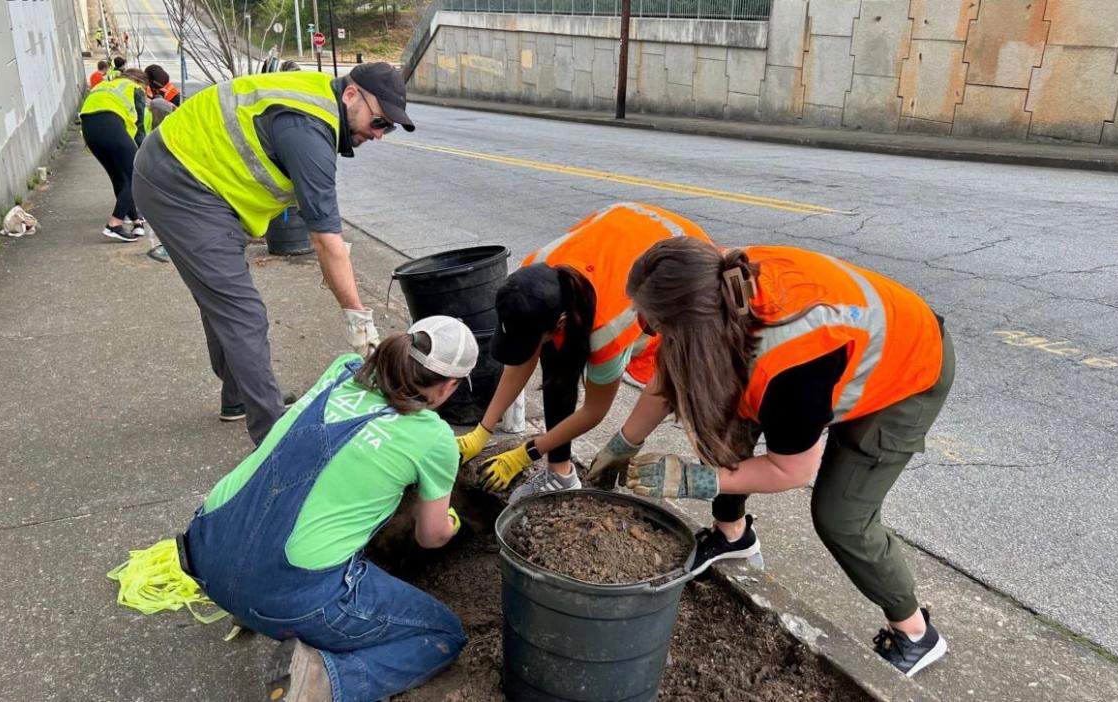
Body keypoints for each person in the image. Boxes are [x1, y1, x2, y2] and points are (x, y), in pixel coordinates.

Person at [590, 237, 954, 677]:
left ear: (694, 327)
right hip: (834, 354)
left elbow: (791, 469)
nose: (647, 330)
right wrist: (622, 445)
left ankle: (915, 633)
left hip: (905, 369)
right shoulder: (714, 280)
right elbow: (671, 370)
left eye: (653, 325)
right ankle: (732, 536)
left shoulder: (790, 373)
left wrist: (693, 481)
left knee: (841, 516)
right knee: (726, 427)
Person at [180, 316, 476, 702]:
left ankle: (247, 599)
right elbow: (430, 535)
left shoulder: (343, 370)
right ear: (449, 386)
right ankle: (325, 682)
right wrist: (452, 523)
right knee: (442, 634)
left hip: (207, 548)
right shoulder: (433, 436)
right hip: (285, 594)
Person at [132, 62, 414, 445]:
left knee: (223, 301)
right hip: (180, 185)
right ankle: (274, 438)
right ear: (351, 95)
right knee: (242, 312)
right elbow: (326, 240)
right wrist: (358, 322)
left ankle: (239, 397)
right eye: (380, 122)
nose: (379, 135)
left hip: (196, 181)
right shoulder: (309, 130)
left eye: (388, 128)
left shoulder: (319, 99)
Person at [455, 202, 712, 503]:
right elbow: (521, 360)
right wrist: (482, 430)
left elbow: (594, 411)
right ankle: (560, 473)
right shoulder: (533, 276)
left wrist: (527, 453)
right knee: (556, 361)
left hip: (679, 260)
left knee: (566, 361)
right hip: (618, 228)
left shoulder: (609, 331)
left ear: (561, 322)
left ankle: (559, 473)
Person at [79, 67, 150, 242]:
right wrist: (146, 152)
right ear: (140, 82)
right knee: (137, 176)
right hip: (109, 123)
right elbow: (140, 128)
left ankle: (136, 221)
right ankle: (114, 224)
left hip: (89, 129)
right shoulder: (134, 88)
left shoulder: (105, 86)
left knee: (119, 177)